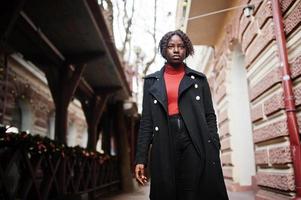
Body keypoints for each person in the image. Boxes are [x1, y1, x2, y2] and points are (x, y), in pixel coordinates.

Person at [134, 30, 228, 200]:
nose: (176, 50)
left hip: (194, 138)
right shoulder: (151, 82)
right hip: (164, 139)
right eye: (171, 46)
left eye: (181, 46)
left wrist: (213, 143)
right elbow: (146, 122)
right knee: (168, 189)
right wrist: (141, 158)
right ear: (164, 50)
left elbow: (209, 115)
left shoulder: (198, 80)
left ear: (187, 50)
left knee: (193, 189)